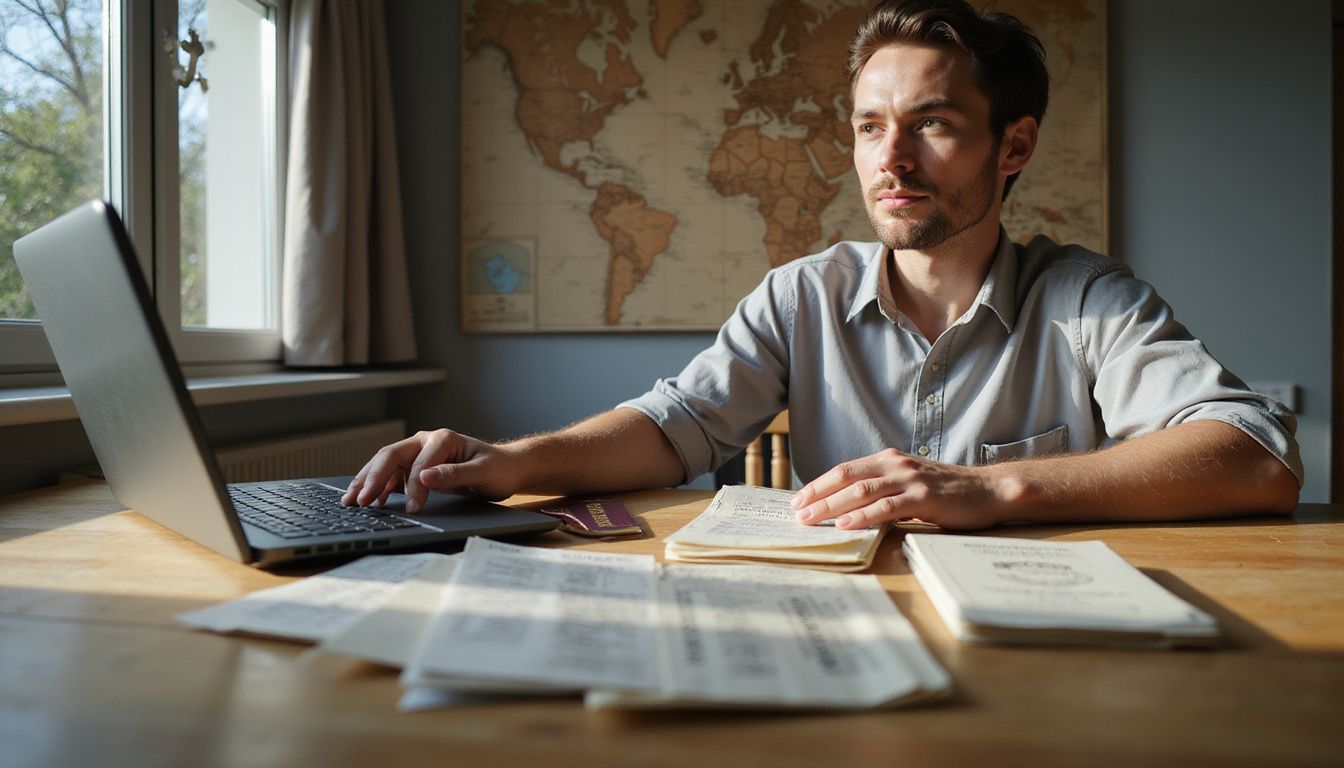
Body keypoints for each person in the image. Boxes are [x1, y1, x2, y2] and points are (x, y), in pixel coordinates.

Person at [344, 0, 1300, 530]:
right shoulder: (801, 294)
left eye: (932, 125)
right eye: (871, 127)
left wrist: (994, 488)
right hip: (833, 640)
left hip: (1041, 653)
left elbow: (1257, 458)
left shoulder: (1089, 297)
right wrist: (508, 462)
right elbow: (676, 427)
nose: (892, 162)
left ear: (1013, 148)